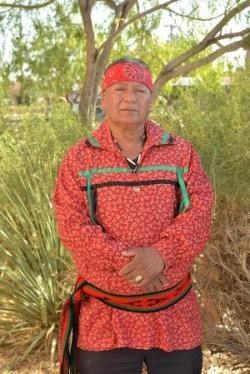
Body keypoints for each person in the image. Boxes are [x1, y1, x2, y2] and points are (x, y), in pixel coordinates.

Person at [52, 57, 213, 374]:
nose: (129, 98)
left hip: (174, 314)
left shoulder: (181, 152)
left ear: (151, 97)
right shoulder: (79, 159)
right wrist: (134, 264)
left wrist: (161, 256)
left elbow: (201, 209)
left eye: (139, 90)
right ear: (103, 98)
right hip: (106, 318)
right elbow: (72, 227)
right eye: (120, 89)